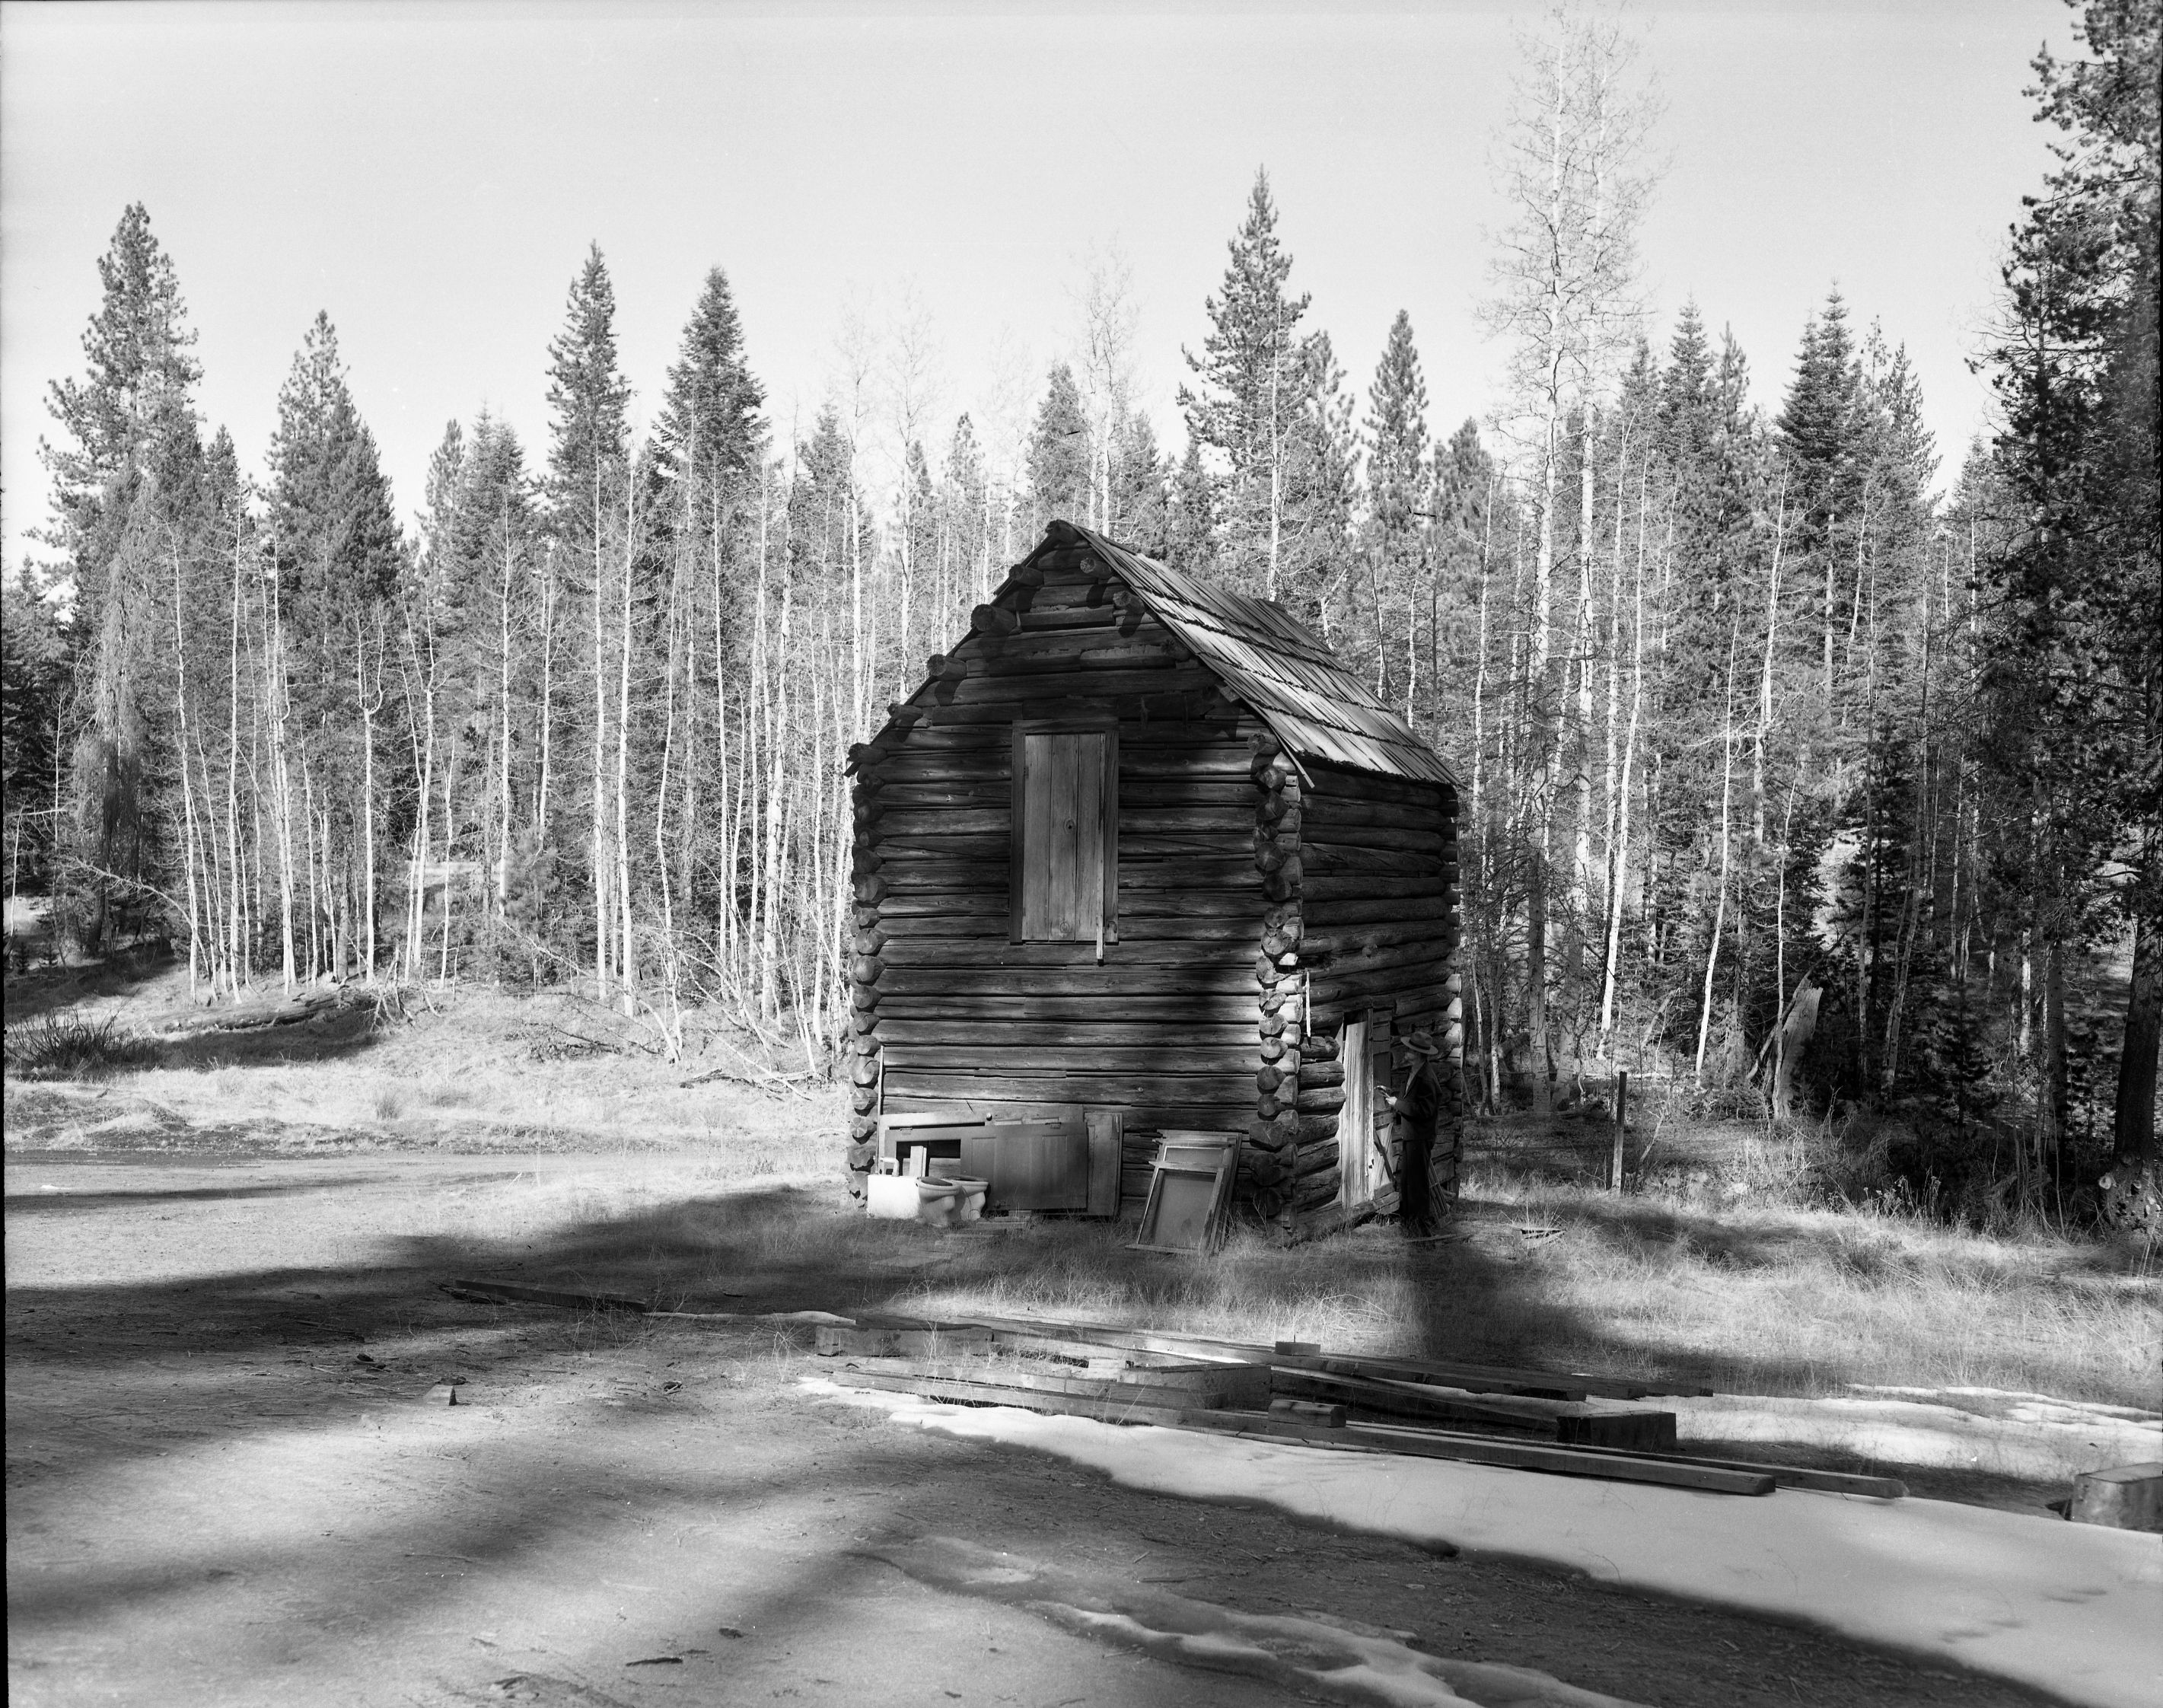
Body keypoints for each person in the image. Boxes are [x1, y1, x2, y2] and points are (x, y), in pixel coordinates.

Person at [1388, 1030, 1446, 1237]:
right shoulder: (1414, 1072)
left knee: (1418, 1184)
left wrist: (1399, 1105)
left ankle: (1422, 1229)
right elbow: (1412, 1103)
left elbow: (1425, 1110)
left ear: (1419, 1054)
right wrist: (1397, 1103)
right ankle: (1410, 1224)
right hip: (1412, 1135)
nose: (1406, 1052)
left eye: (1410, 1050)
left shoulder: (1426, 1078)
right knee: (1408, 1181)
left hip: (1420, 1136)